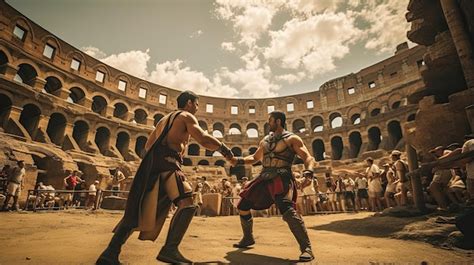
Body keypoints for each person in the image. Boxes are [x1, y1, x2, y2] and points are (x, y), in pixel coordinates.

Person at [96, 91, 234, 264]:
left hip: (153, 165)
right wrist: (226, 151)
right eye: (197, 104)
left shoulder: (164, 120)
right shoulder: (186, 116)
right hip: (168, 163)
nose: (197, 108)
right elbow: (203, 139)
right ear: (190, 103)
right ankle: (170, 249)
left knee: (141, 207)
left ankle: (109, 253)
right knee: (188, 202)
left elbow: (148, 145)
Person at [229, 111, 316, 262]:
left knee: (288, 211)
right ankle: (248, 238)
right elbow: (255, 158)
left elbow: (308, 157)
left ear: (278, 121)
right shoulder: (265, 140)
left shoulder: (292, 139)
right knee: (242, 206)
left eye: (270, 121)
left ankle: (306, 248)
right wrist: (237, 160)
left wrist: (308, 173)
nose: (268, 123)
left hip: (281, 177)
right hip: (264, 177)